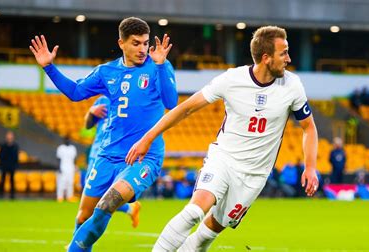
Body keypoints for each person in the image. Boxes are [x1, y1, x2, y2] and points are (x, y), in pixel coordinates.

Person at [126, 25, 319, 251]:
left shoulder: (292, 85)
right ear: (266, 58)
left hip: (254, 176)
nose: (288, 58)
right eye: (283, 52)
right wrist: (148, 138)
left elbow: (309, 128)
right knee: (194, 211)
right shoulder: (232, 79)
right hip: (223, 160)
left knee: (208, 234)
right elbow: (186, 108)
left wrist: (310, 167)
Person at [30, 16, 177, 251]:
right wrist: (49, 66)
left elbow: (171, 102)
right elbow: (76, 92)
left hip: (143, 156)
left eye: (145, 43)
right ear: (121, 43)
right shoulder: (106, 72)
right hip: (107, 155)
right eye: (136, 43)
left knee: (108, 203)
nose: (142, 49)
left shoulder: (158, 66)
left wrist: (160, 65)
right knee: (82, 217)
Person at [82, 95, 141, 229]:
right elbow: (87, 125)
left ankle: (77, 243)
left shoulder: (132, 99)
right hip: (97, 153)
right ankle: (129, 209)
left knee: (95, 198)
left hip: (115, 155)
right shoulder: (103, 101)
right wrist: (91, 112)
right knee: (91, 197)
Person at [0, 131, 19, 199]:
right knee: (2, 180)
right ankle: (1, 194)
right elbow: (0, 156)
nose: (9, 138)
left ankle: (12, 195)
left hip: (12, 166)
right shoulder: (3, 146)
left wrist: (15, 165)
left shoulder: (15, 146)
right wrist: (2, 164)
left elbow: (16, 157)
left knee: (12, 180)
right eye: (8, 136)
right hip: (4, 166)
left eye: (11, 136)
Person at [56, 137, 77, 202]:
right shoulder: (60, 148)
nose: (67, 141)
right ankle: (60, 197)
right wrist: (58, 168)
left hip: (71, 167)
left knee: (70, 183)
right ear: (64, 140)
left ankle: (70, 196)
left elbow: (74, 159)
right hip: (63, 167)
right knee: (61, 183)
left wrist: (75, 167)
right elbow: (58, 159)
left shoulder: (73, 148)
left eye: (68, 140)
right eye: (66, 140)